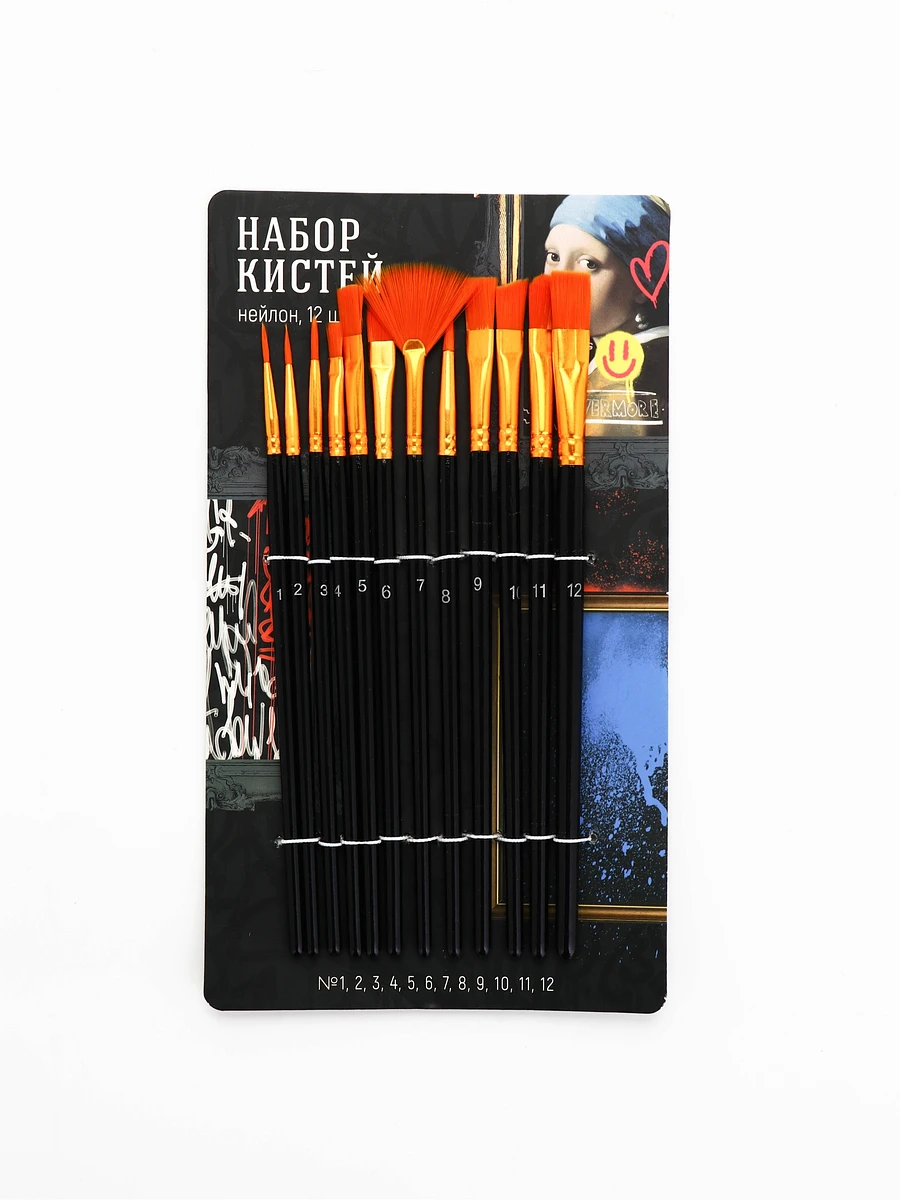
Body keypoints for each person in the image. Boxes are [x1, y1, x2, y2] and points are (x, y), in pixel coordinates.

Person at [544, 195, 669, 434]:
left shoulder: (627, 385)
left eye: (589, 264)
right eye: (553, 257)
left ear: (642, 283)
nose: (560, 279)